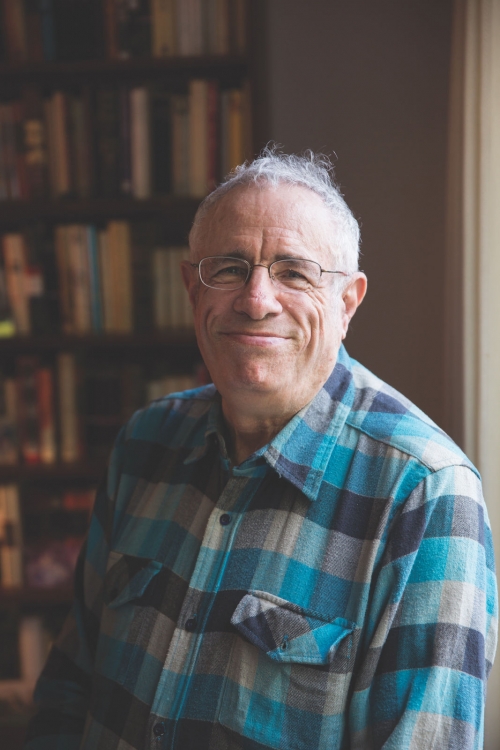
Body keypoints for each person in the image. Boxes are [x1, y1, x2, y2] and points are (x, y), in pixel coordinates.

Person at [25, 149, 497, 750]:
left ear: (347, 303)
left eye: (294, 272)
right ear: (192, 291)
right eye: (228, 268)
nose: (256, 299)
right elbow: (70, 690)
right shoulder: (143, 444)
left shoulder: (426, 495)